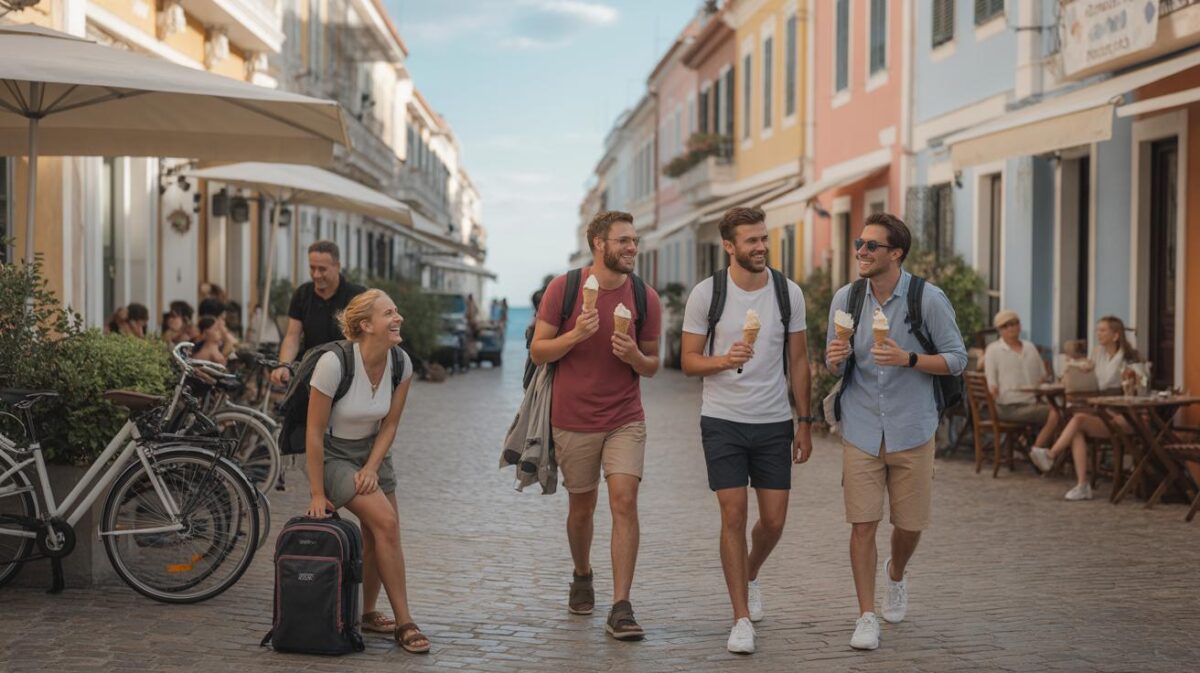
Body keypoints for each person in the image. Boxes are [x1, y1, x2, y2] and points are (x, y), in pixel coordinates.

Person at [825, 212, 967, 651]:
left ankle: (896, 574)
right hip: (862, 425)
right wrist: (835, 357)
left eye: (872, 246)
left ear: (896, 253)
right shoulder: (846, 300)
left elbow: (957, 358)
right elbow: (834, 364)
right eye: (859, 245)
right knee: (862, 522)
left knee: (909, 525)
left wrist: (909, 359)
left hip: (912, 426)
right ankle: (866, 615)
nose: (862, 253)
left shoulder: (927, 299)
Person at [679, 207, 812, 654]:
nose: (760, 247)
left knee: (773, 522)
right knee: (733, 515)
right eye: (750, 241)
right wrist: (724, 360)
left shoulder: (787, 292)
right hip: (723, 420)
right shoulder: (707, 294)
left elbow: (798, 360)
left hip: (774, 421)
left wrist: (805, 421)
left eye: (763, 238)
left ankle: (751, 573)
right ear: (730, 246)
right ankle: (739, 618)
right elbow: (688, 361)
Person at [529, 210, 662, 641]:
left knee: (624, 500)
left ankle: (621, 605)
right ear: (599, 244)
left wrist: (633, 358)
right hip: (573, 419)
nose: (632, 248)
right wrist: (574, 336)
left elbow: (652, 364)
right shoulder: (564, 289)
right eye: (623, 240)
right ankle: (582, 573)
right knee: (581, 509)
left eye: (634, 241)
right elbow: (538, 352)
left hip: (625, 417)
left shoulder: (645, 298)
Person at [302, 289, 428, 653]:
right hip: (333, 453)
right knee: (386, 522)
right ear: (365, 325)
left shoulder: (401, 363)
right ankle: (406, 622)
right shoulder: (334, 364)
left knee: (380, 532)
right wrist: (316, 493)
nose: (398, 317)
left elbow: (389, 425)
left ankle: (369, 613)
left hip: (374, 451)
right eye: (389, 312)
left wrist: (372, 466)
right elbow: (312, 431)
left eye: (397, 310)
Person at [1029, 316, 1140, 500]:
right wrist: (1080, 367)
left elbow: (1139, 387)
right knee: (1077, 427)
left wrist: (1131, 383)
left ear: (1115, 335)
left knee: (1078, 420)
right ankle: (1082, 485)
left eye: (1103, 330)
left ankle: (1051, 454)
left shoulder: (1130, 358)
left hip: (1125, 414)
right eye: (1097, 330)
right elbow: (1090, 371)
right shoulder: (1099, 354)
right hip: (1105, 410)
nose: (1098, 334)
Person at [270, 240, 366, 387]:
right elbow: (292, 336)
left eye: (322, 269)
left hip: (348, 376)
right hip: (311, 372)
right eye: (312, 268)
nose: (316, 275)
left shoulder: (358, 296)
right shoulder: (302, 294)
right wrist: (284, 365)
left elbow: (367, 339)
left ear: (337, 266)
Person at [983, 310, 1059, 456]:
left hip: (1031, 403)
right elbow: (991, 385)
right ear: (1000, 330)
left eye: (1015, 323)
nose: (1011, 328)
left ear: (1019, 326)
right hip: (1008, 406)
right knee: (1055, 414)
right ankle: (1036, 452)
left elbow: (1042, 376)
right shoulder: (993, 350)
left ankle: (1049, 454)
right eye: (1006, 326)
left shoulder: (1030, 347)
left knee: (1062, 412)